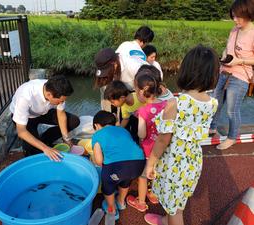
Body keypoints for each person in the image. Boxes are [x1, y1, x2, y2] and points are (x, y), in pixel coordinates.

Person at [144, 45, 219, 225]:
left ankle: (171, 219)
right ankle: (165, 219)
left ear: (186, 70)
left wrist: (151, 163)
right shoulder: (213, 103)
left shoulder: (176, 103)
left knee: (176, 210)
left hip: (173, 161)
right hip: (192, 160)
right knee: (178, 200)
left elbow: (163, 139)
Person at [209, 0, 254, 150]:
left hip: (241, 75)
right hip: (225, 72)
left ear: (247, 14)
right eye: (233, 16)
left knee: (231, 109)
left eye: (237, 16)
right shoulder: (234, 30)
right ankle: (212, 128)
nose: (234, 20)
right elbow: (227, 48)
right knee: (216, 103)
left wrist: (239, 61)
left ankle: (232, 137)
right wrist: (224, 56)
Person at [10, 75, 80, 161]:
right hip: (27, 117)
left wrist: (66, 139)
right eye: (60, 101)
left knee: (74, 121)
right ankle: (40, 145)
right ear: (49, 94)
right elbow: (21, 131)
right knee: (34, 153)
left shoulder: (57, 89)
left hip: (43, 112)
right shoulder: (25, 96)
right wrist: (45, 148)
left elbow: (61, 114)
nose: (62, 102)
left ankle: (44, 139)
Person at [126, 67, 167, 212]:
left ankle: (141, 202)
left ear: (142, 92)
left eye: (137, 91)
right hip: (162, 148)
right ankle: (154, 194)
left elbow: (142, 134)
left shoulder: (143, 111)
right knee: (157, 171)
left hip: (148, 149)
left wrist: (140, 120)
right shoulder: (166, 105)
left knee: (143, 176)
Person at [92, 110, 145, 221]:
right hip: (139, 165)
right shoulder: (123, 130)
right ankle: (121, 202)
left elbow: (99, 161)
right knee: (126, 180)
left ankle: (112, 208)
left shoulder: (97, 134)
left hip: (117, 168)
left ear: (96, 125)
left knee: (108, 184)